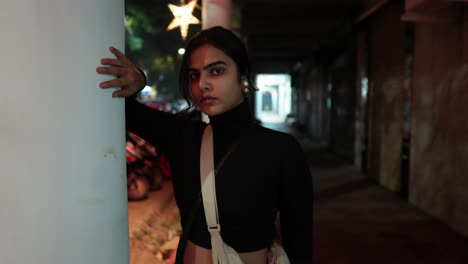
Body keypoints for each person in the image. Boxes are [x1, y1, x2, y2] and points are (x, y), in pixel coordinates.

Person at [97, 26, 313, 264]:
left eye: (217, 71)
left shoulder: (282, 149)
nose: (203, 84)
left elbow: (299, 240)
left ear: (242, 74)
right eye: (193, 75)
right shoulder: (183, 136)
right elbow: (123, 108)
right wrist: (140, 79)